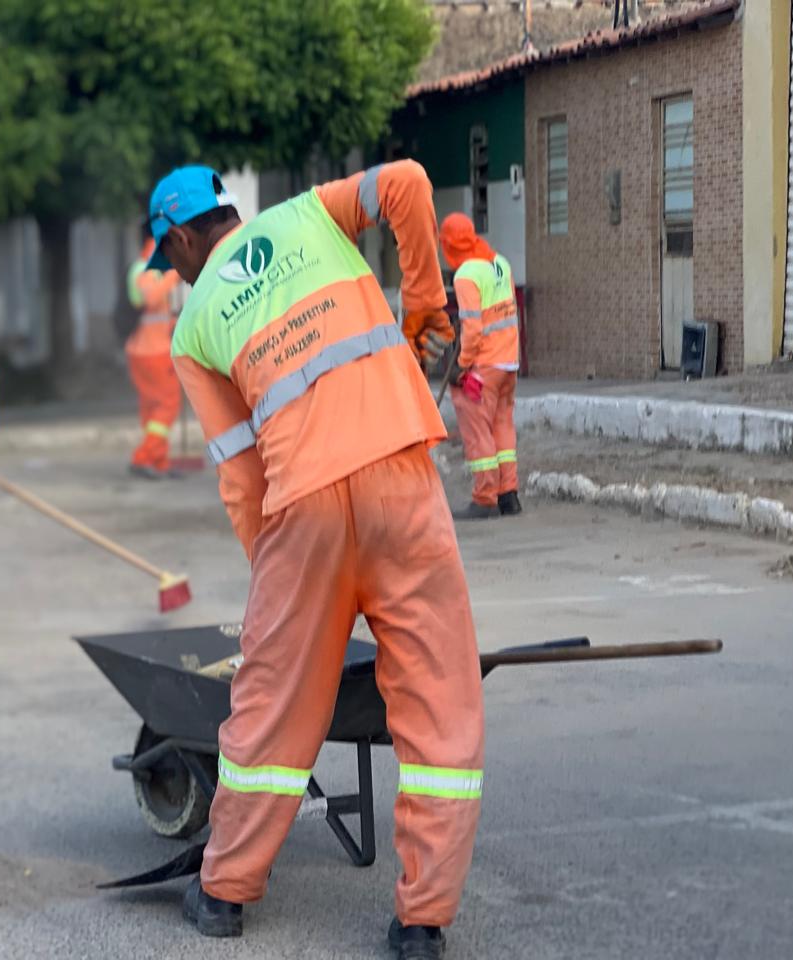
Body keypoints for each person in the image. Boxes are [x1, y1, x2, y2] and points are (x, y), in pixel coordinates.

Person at [148, 163, 483, 959]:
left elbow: (240, 471)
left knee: (272, 702)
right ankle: (423, 921)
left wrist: (277, 584)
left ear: (188, 234)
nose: (176, 273)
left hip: (304, 502)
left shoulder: (193, 326)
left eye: (171, 255)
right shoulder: (310, 214)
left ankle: (224, 891)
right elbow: (405, 182)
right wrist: (426, 308)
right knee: (440, 699)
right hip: (402, 473)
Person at [439, 213, 522, 520]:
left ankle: (485, 497)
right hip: (508, 362)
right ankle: (508, 495)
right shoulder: (500, 262)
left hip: (484, 364)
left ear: (448, 245)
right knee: (502, 425)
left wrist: (461, 366)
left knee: (476, 428)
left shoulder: (466, 275)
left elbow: (472, 328)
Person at [124, 231, 184, 478]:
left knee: (152, 408)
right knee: (168, 404)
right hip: (153, 351)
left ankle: (158, 459)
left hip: (146, 349)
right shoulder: (146, 269)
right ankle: (144, 456)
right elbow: (152, 298)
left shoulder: (147, 268)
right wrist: (173, 275)